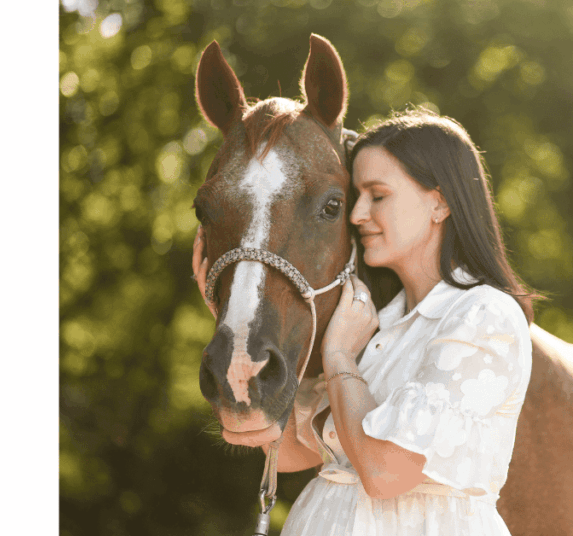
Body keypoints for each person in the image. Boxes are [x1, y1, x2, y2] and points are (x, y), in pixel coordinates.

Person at [194, 108, 537, 535]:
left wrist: (338, 355)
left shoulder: (483, 315)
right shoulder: (378, 324)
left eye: (377, 195)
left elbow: (385, 472)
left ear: (441, 202)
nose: (356, 215)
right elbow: (288, 453)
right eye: (354, 197)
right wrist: (233, 315)